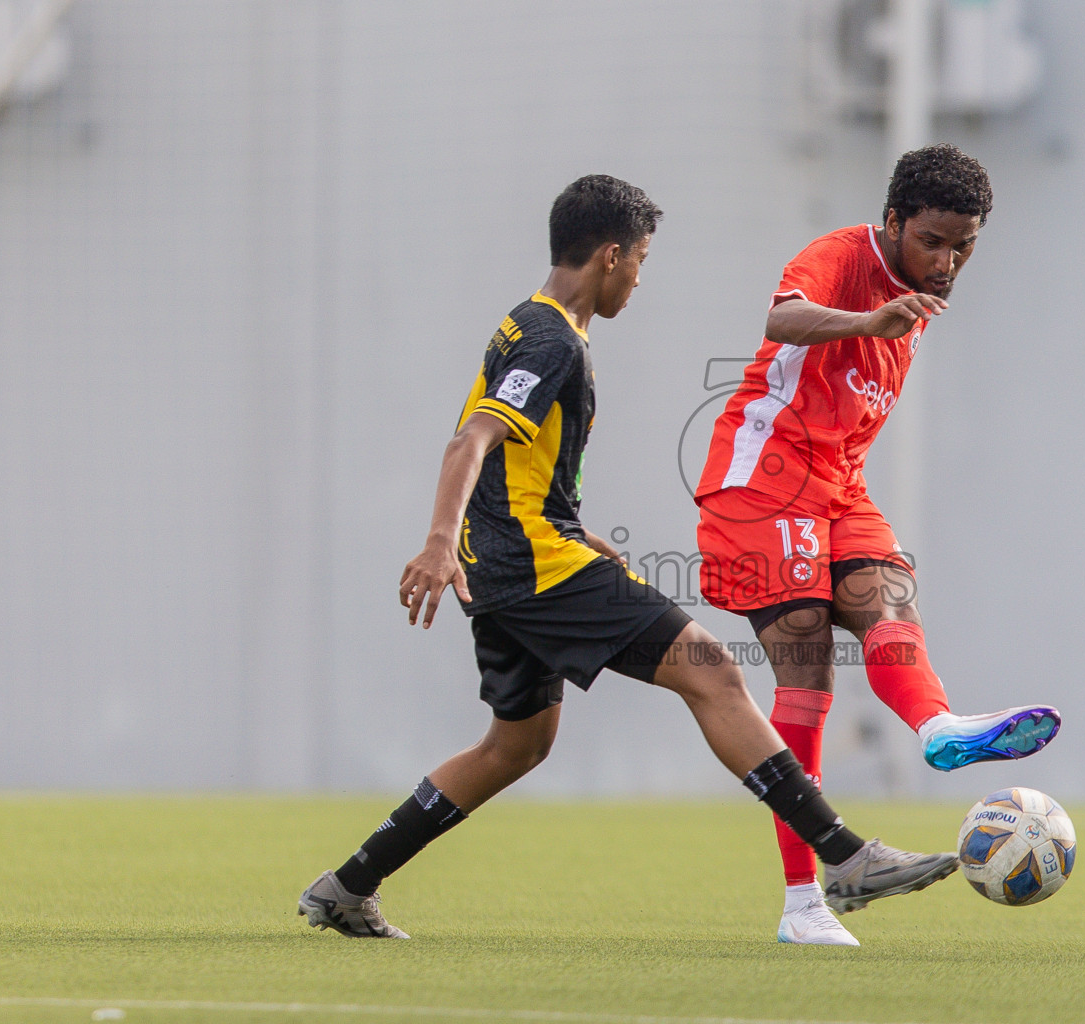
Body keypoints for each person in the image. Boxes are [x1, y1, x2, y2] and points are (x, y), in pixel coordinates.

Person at [297, 174, 957, 940]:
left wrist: (563, 529)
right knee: (711, 668)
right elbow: (471, 438)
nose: (641, 278)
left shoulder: (537, 328)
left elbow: (518, 460)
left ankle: (346, 886)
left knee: (516, 745)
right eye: (641, 260)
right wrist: (439, 541)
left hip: (517, 560)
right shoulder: (548, 337)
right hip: (531, 566)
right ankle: (844, 856)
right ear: (611, 255)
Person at [693, 145, 1062, 946]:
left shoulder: (920, 293)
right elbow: (780, 316)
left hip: (838, 483)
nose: (950, 260)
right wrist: (868, 319)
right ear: (894, 222)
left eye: (966, 245)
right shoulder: (843, 257)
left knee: (887, 598)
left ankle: (938, 731)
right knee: (808, 673)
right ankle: (803, 904)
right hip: (764, 474)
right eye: (934, 240)